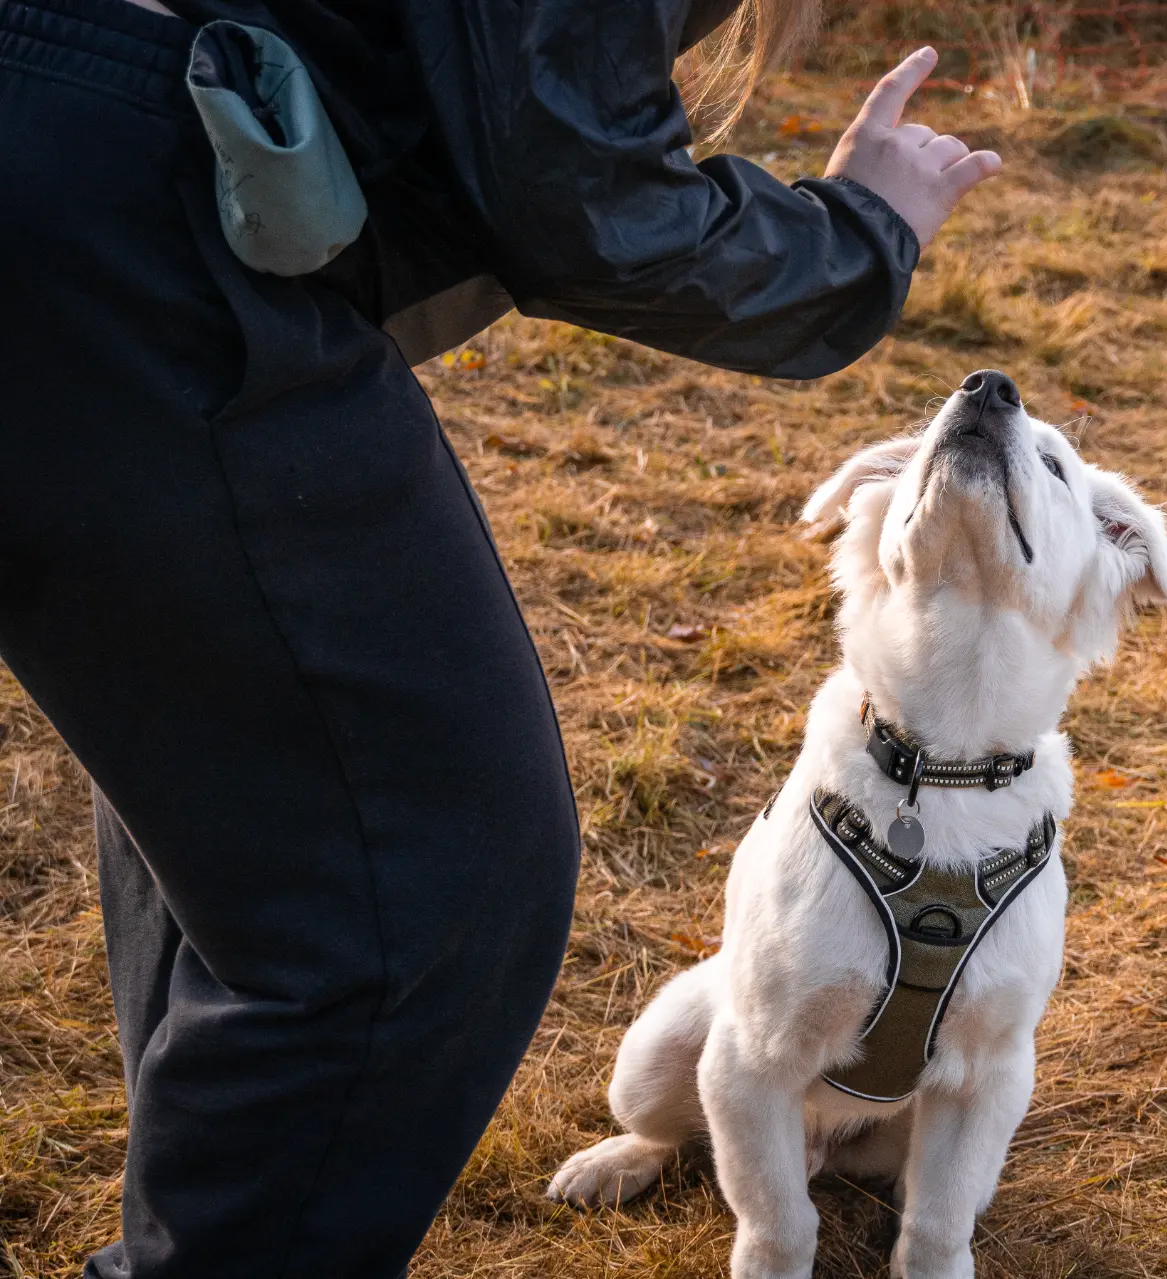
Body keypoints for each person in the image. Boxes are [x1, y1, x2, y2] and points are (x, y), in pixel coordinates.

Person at [0, 0, 998, 1270]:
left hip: (82, 179)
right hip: (130, 230)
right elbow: (572, 190)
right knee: (422, 869)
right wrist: (858, 233)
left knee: (260, 810)